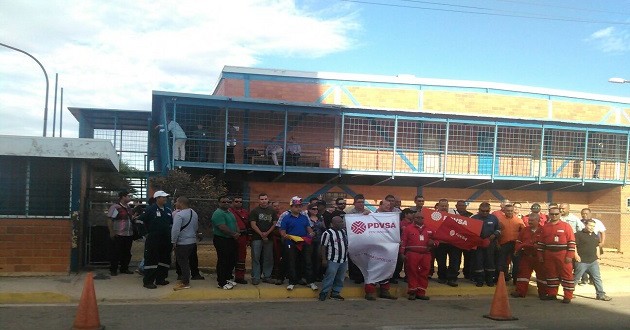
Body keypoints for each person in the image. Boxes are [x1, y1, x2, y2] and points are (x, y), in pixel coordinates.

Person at [537, 206, 576, 303]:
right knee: (551, 275)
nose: (554, 216)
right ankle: (552, 294)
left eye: (556, 214)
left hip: (563, 254)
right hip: (549, 254)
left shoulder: (566, 226)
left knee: (566, 275)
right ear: (549, 215)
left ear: (560, 214)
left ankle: (568, 296)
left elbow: (571, 242)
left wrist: (569, 256)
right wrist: (540, 256)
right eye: (552, 214)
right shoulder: (545, 227)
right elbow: (541, 243)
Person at [280, 196, 318, 291]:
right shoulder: (286, 217)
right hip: (291, 242)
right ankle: (292, 282)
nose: (298, 208)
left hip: (304, 242)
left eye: (300, 206)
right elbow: (282, 230)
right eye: (296, 206)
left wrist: (311, 233)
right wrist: (285, 236)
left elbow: (309, 229)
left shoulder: (304, 218)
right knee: (291, 261)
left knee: (307, 261)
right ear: (291, 207)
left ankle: (310, 281)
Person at [400, 211, 437, 300]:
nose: (420, 219)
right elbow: (403, 241)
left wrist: (434, 243)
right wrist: (401, 253)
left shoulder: (430, 229)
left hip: (426, 254)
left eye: (421, 218)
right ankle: (412, 292)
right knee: (412, 272)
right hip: (412, 253)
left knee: (424, 273)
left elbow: (437, 240)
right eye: (417, 217)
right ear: (413, 219)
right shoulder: (408, 229)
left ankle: (421, 292)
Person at [574, 219, 612, 301]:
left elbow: (597, 246)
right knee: (576, 278)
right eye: (590, 225)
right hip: (581, 261)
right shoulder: (578, 235)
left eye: (593, 226)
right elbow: (574, 246)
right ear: (585, 225)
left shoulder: (595, 235)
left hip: (593, 262)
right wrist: (576, 255)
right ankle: (569, 293)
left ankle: (601, 294)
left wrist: (598, 257)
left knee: (597, 278)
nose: (592, 227)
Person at [143, 190, 173, 289]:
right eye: (163, 197)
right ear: (157, 198)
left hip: (166, 240)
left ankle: (161, 279)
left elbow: (171, 224)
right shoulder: (150, 209)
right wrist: (145, 234)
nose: (165, 199)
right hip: (153, 240)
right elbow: (139, 221)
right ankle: (148, 281)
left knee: (164, 259)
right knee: (151, 259)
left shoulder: (168, 210)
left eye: (166, 197)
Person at [511, 213, 546, 298]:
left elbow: (546, 243)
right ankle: (520, 291)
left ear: (538, 221)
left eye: (532, 220)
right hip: (526, 256)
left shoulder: (544, 230)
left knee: (541, 276)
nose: (529, 222)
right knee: (523, 275)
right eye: (529, 220)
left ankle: (543, 293)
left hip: (539, 257)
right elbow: (519, 241)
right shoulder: (524, 230)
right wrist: (517, 249)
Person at [212, 195, 240, 290]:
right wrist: (234, 234)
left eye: (228, 202)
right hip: (222, 240)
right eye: (223, 202)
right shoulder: (218, 213)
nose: (226, 203)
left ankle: (227, 278)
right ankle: (221, 282)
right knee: (223, 261)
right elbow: (222, 227)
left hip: (231, 240)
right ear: (219, 203)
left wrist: (237, 232)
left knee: (231, 260)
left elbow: (235, 223)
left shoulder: (229, 213)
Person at [249, 193, 278, 285]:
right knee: (256, 257)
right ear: (259, 200)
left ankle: (267, 276)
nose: (264, 201)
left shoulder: (272, 211)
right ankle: (256, 277)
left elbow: (274, 223)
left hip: (269, 238)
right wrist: (261, 234)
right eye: (262, 199)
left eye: (265, 199)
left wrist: (267, 233)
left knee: (268, 257)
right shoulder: (254, 211)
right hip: (256, 238)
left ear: (268, 199)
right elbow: (253, 224)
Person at [171, 196, 198, 291]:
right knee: (187, 262)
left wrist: (173, 241)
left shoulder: (179, 215)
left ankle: (185, 282)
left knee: (183, 263)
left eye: (176, 202)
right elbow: (195, 227)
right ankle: (186, 279)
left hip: (182, 243)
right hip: (192, 241)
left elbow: (175, 230)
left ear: (181, 203)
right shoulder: (193, 213)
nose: (175, 204)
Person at [318, 216, 348, 301]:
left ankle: (335, 293)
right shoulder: (328, 233)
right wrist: (324, 259)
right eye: (339, 222)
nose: (342, 223)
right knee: (329, 277)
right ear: (333, 224)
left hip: (343, 259)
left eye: (342, 221)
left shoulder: (344, 232)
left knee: (340, 277)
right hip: (333, 259)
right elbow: (323, 246)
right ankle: (324, 292)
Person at [471, 202, 500, 287]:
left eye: (487, 211)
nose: (485, 213)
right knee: (478, 261)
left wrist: (494, 235)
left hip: (490, 244)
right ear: (479, 210)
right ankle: (479, 280)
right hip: (478, 244)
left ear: (489, 210)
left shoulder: (494, 218)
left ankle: (489, 280)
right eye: (483, 211)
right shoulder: (474, 218)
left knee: (490, 261)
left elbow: (499, 230)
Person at [434, 198, 461, 287]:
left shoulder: (455, 213)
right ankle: (442, 277)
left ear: (448, 206)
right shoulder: (434, 215)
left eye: (446, 206)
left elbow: (462, 225)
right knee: (441, 261)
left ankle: (452, 278)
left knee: (454, 261)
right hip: (440, 242)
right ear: (438, 206)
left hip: (453, 242)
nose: (444, 207)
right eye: (442, 206)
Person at [107, 190, 134, 276]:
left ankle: (124, 268)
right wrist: (111, 231)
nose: (130, 198)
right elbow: (110, 219)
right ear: (123, 197)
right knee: (116, 252)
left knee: (127, 252)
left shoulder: (129, 208)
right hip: (119, 233)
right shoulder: (116, 207)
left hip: (129, 234)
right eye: (128, 196)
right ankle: (113, 269)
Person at [496, 203, 525, 283]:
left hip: (515, 244)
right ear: (504, 211)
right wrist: (497, 244)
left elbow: (524, 232)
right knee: (502, 263)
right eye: (508, 211)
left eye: (511, 211)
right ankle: (502, 279)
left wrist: (521, 244)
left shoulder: (518, 220)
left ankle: (516, 280)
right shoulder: (499, 220)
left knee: (517, 263)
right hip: (503, 244)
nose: (509, 212)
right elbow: (496, 232)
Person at [578, 207, 607, 285]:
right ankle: (584, 279)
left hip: (594, 245)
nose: (584, 215)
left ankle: (592, 279)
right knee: (582, 262)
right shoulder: (580, 222)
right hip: (583, 246)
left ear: (590, 214)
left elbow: (602, 232)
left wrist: (602, 242)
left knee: (593, 262)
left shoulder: (597, 222)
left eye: (586, 213)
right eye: (583, 214)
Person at [229, 196, 250, 284]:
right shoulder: (228, 212)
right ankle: (227, 275)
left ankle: (239, 277)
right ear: (233, 202)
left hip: (242, 237)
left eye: (240, 202)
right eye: (236, 201)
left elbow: (248, 226)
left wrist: (249, 239)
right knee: (229, 257)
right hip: (231, 237)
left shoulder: (245, 213)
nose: (238, 203)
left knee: (241, 258)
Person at [454, 200, 474, 280]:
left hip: (467, 241)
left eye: (463, 205)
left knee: (468, 258)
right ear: (456, 206)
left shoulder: (471, 215)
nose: (461, 207)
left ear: (466, 206)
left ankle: (467, 274)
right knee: (456, 259)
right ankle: (454, 275)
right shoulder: (452, 215)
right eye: (460, 205)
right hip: (456, 240)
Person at [308, 202, 326, 282]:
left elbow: (324, 228)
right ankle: (309, 276)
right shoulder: (306, 218)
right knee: (309, 258)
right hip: (309, 241)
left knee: (318, 258)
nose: (315, 210)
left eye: (316, 209)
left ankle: (317, 275)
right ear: (309, 210)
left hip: (319, 240)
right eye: (313, 209)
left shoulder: (320, 217)